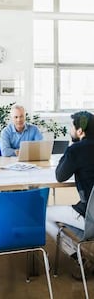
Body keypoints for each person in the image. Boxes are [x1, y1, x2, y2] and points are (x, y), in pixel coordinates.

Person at [46, 111, 94, 279]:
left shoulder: (77, 150)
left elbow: (60, 175)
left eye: (72, 127)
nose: (70, 130)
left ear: (80, 131)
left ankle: (79, 258)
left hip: (89, 217)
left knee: (43, 214)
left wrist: (69, 150)